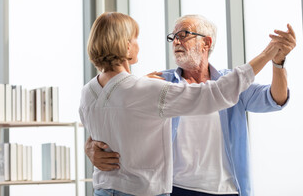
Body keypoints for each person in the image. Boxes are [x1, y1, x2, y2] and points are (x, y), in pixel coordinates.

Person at [85, 14, 296, 196]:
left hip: (225, 189)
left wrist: (277, 63)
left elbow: (274, 99)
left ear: (207, 43)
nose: (176, 41)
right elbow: (120, 116)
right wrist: (91, 146)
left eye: (184, 34)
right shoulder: (158, 83)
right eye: (173, 37)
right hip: (175, 188)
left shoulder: (231, 83)